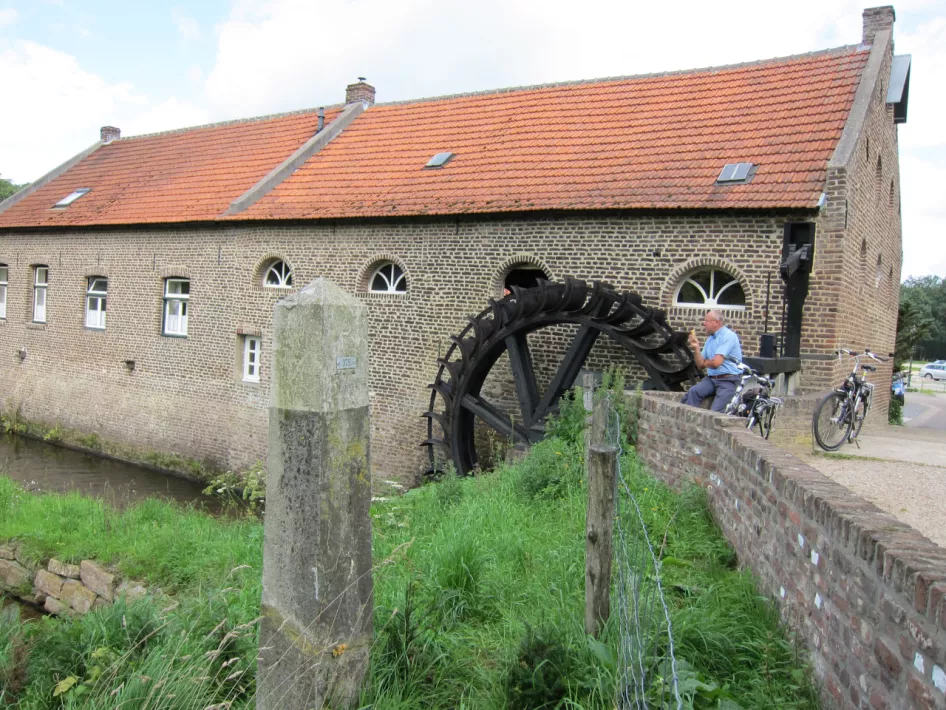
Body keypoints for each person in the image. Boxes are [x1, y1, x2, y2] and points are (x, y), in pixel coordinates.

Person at [681, 310, 743, 412]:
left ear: (716, 323)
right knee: (693, 392)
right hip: (712, 379)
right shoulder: (710, 339)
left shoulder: (728, 336)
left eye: (706, 321)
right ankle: (688, 423)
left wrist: (706, 363)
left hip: (728, 380)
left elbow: (716, 363)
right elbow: (700, 364)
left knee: (715, 413)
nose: (704, 323)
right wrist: (696, 348)